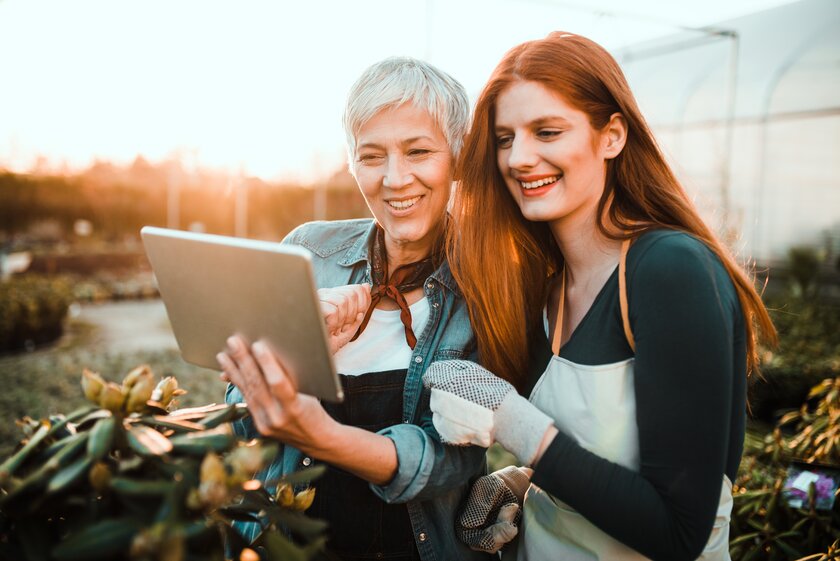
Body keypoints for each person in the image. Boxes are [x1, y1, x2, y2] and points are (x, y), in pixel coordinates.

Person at [422, 32, 777, 560]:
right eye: (504, 138)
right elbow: (600, 459)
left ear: (611, 136)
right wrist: (524, 482)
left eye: (547, 131)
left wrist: (513, 423)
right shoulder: (550, 286)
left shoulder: (669, 270)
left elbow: (679, 533)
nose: (520, 158)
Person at [217, 57, 491, 561]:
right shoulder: (306, 254)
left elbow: (456, 457)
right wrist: (297, 354)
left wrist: (324, 437)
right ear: (350, 162)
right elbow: (239, 419)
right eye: (371, 156)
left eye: (419, 151)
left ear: (458, 156)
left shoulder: (484, 288)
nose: (395, 178)